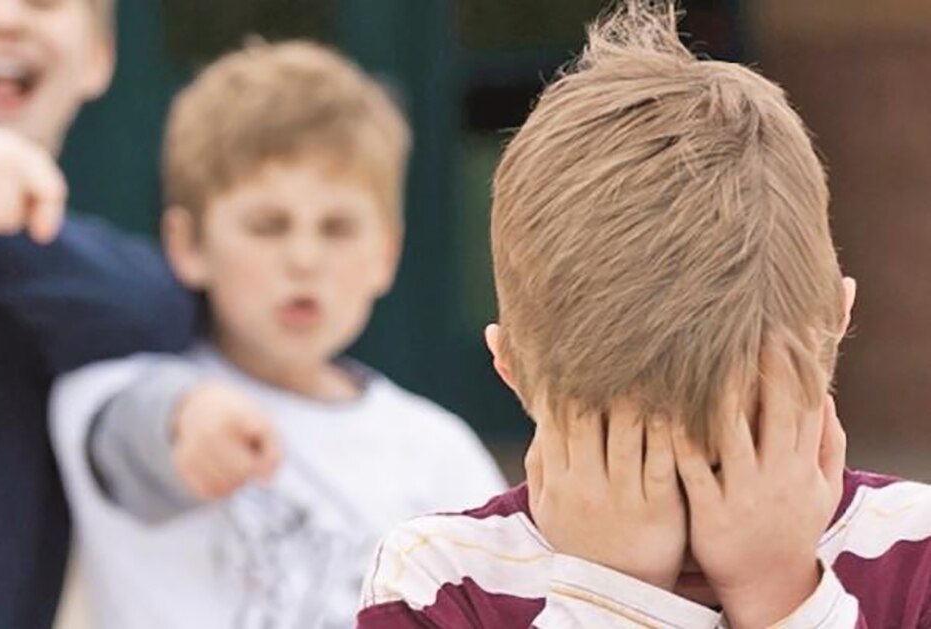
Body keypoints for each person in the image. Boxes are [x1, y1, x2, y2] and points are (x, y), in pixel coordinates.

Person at [356, 2, 931, 627]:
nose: (695, 520)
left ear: (837, 321)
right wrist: (611, 597)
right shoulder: (436, 580)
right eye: (632, 457)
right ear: (512, 367)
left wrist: (783, 595)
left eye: (730, 457)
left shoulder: (917, 552)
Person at [50, 40, 507, 629]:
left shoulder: (441, 453)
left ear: (386, 254)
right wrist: (181, 419)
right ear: (188, 245)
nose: (304, 258)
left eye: (338, 228)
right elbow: (126, 434)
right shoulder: (116, 385)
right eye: (268, 226)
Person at [0, 1, 196, 627]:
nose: (7, 17)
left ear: (99, 58)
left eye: (44, 0)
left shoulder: (104, 279)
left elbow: (152, 308)